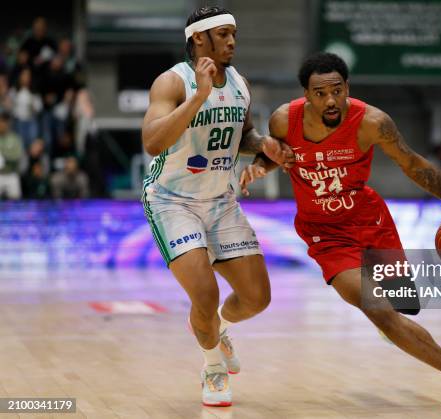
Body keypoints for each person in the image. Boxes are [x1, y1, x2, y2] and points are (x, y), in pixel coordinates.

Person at [240, 52, 441, 413]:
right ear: (305, 95)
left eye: (337, 90)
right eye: (320, 93)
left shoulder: (371, 122)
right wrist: (259, 166)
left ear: (347, 88)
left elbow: (413, 165)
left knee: (405, 306)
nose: (330, 100)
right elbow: (274, 152)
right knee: (376, 307)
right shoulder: (285, 119)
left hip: (369, 220)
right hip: (324, 233)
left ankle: (390, 322)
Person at [140, 6, 294, 407]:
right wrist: (199, 98)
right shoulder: (173, 81)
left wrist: (264, 146)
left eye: (234, 35)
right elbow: (153, 142)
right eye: (224, 34)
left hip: (220, 200)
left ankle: (217, 328)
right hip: (172, 200)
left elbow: (241, 135)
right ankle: (212, 367)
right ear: (198, 40)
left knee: (257, 298)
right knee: (204, 295)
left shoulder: (239, 81)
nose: (232, 42)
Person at [0, 109, 24, 199]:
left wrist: (4, 156)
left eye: (4, 122)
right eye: (1, 122)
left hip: (11, 173)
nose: (2, 124)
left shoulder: (15, 138)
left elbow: (17, 155)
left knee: (15, 199)